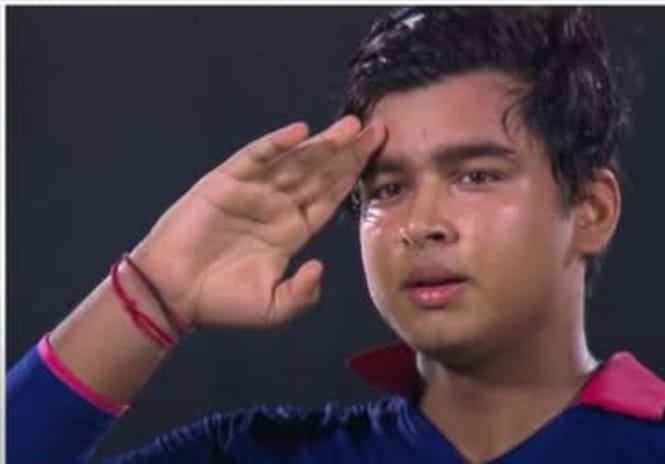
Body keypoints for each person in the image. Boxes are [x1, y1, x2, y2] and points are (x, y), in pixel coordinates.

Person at [8, 6, 665, 464]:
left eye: (475, 176)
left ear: (590, 209)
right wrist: (154, 292)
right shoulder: (252, 455)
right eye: (387, 189)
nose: (420, 225)